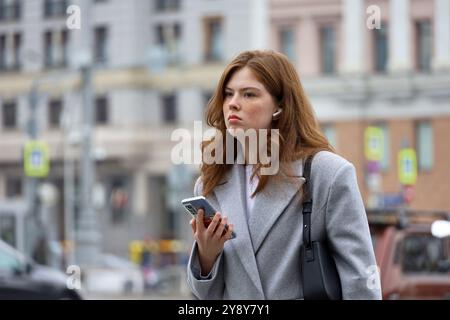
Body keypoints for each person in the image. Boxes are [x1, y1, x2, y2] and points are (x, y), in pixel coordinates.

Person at [186, 50, 382, 300]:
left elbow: (361, 280)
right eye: (228, 93)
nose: (233, 103)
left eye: (249, 94)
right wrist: (206, 256)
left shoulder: (327, 174)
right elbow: (205, 296)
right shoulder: (210, 184)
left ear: (279, 106)